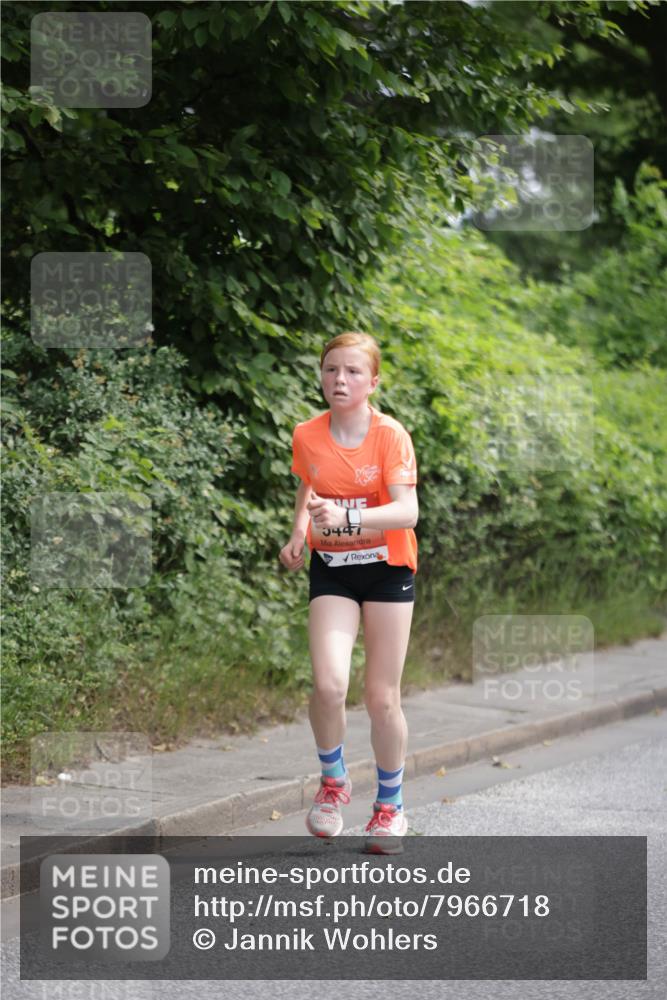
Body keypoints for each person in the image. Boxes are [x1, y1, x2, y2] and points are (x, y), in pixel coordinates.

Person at [279, 331, 419, 855]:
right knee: (329, 685)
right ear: (321, 375)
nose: (340, 380)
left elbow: (408, 511)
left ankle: (389, 808)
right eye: (331, 369)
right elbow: (309, 482)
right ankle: (334, 783)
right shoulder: (307, 434)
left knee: (381, 697)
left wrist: (350, 515)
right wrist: (298, 532)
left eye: (353, 372)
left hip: (387, 570)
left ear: (373, 381)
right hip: (333, 569)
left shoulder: (390, 436)